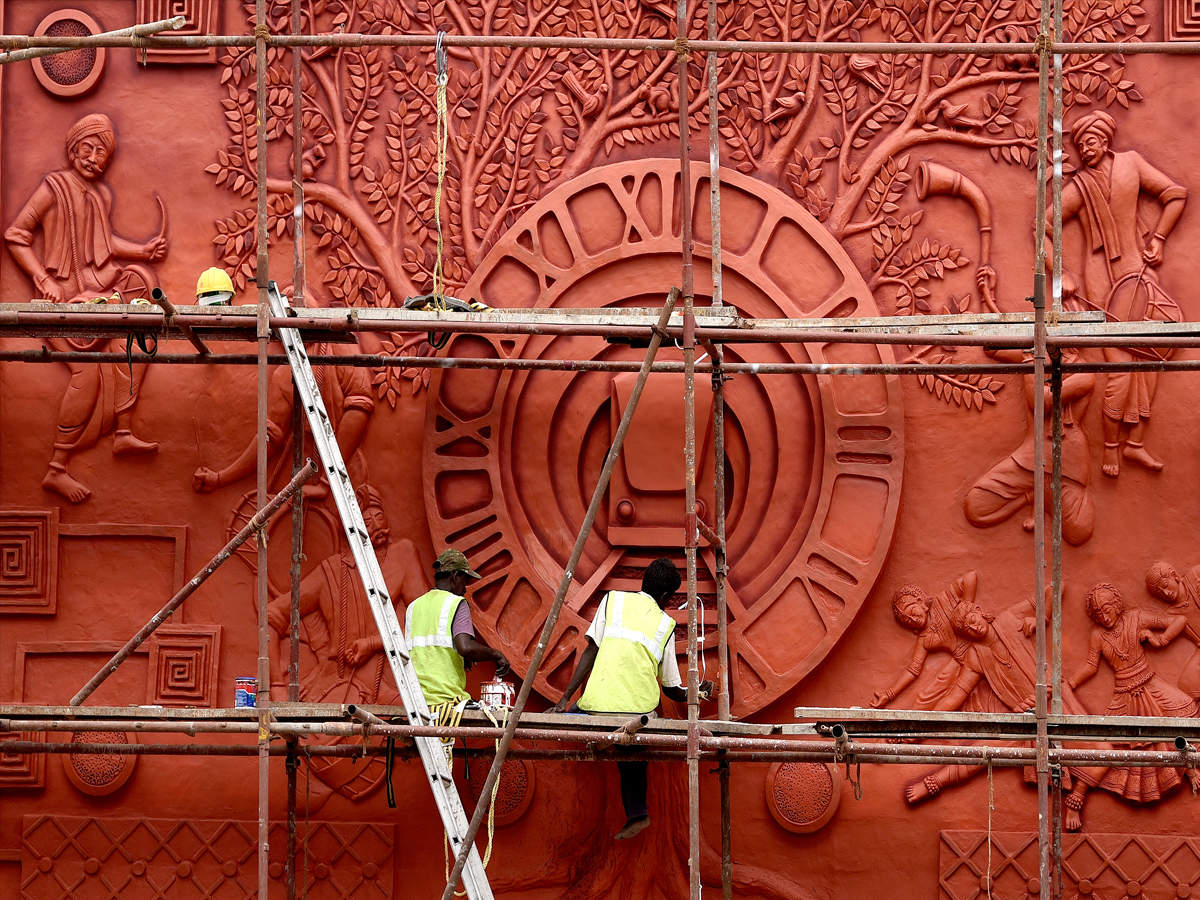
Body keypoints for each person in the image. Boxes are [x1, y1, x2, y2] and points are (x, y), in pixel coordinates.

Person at [5, 113, 167, 503]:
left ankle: (123, 431)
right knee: (88, 373)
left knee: (139, 340)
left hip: (94, 295)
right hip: (58, 302)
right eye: (89, 148)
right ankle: (56, 469)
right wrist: (42, 280)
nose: (95, 158)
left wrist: (142, 251)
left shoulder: (99, 195)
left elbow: (104, 243)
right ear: (74, 147)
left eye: (103, 154)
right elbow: (16, 234)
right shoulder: (53, 187)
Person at [1052, 110, 1187, 477]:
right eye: (1079, 145)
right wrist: (1060, 272)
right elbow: (1043, 225)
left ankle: (1136, 445)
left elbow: (1176, 194)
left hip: (1138, 275)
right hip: (1100, 285)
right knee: (1121, 371)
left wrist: (1158, 238)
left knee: (1150, 360)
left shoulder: (1132, 164)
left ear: (1105, 140)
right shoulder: (1078, 187)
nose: (1085, 149)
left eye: (1090, 142)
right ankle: (1111, 447)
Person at [551, 557, 713, 840]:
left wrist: (563, 700)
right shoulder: (666, 624)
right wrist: (695, 693)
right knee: (634, 744)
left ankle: (597, 740)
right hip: (639, 714)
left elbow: (590, 653)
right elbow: (671, 689)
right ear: (665, 596)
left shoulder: (612, 600)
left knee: (577, 714)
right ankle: (637, 812)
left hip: (596, 707)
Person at [965, 346, 1095, 545]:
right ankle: (1034, 494)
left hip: (1067, 461)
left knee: (1079, 531)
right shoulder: (1038, 357)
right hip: (1031, 457)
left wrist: (1030, 361)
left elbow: (1040, 401)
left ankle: (1046, 494)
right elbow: (993, 350)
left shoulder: (1083, 375)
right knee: (976, 508)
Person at [407, 549, 509, 708]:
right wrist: (496, 654)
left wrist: (460, 656)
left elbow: (429, 650)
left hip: (416, 702)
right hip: (446, 699)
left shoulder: (414, 606)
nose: (465, 588)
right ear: (455, 577)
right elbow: (466, 647)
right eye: (465, 581)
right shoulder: (455, 603)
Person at [871, 572, 975, 709]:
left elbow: (970, 578)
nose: (914, 619)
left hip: (978, 649)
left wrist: (966, 608)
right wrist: (889, 695)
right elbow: (913, 670)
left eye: (913, 611)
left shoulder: (942, 602)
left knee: (950, 692)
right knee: (924, 699)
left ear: (920, 601)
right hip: (964, 660)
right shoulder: (925, 640)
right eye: (907, 620)